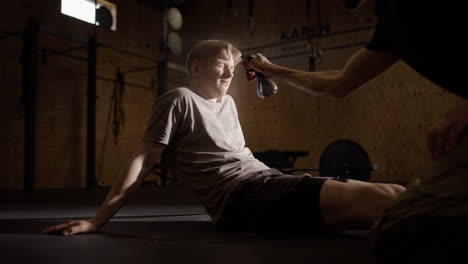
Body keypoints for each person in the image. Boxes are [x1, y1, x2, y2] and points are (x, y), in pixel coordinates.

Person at [41, 39, 404, 237]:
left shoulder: (228, 102)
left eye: (233, 64)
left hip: (267, 183)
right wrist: (98, 220)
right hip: (241, 198)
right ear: (196, 67)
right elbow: (145, 159)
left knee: (396, 194)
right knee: (384, 204)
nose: (230, 71)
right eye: (220, 63)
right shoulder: (179, 100)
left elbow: (240, 155)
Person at [242, 0, 468, 261]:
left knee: (405, 230)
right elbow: (339, 83)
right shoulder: (392, 23)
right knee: (396, 226)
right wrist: (270, 69)